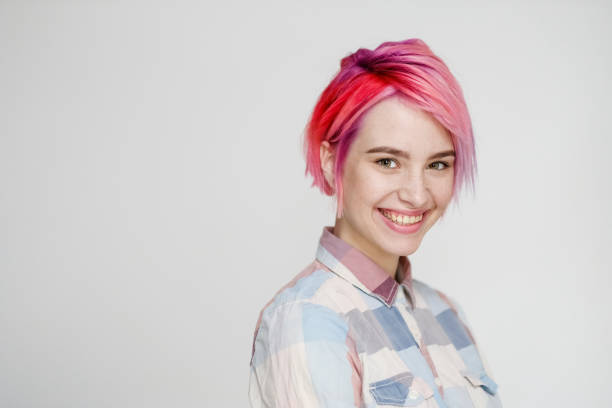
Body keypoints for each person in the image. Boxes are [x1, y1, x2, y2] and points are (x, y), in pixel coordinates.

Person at [248, 39, 501, 408]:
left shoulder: (446, 313)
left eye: (437, 164)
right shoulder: (307, 321)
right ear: (331, 164)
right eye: (387, 162)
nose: (417, 194)